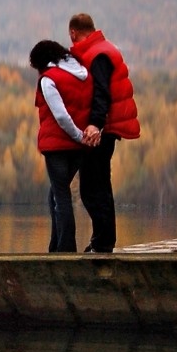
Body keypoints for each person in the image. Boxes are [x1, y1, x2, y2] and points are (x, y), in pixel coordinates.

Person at [68, 13, 141, 252]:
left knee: (91, 187)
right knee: (100, 185)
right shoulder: (103, 49)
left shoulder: (98, 55)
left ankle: (103, 243)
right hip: (106, 129)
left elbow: (101, 93)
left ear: (74, 33)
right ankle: (103, 241)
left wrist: (95, 125)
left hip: (101, 131)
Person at [29, 40, 94, 253]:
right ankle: (56, 246)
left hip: (58, 145)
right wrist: (82, 138)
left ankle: (66, 249)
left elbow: (60, 115)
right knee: (55, 194)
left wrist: (77, 135)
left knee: (61, 195)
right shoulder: (83, 73)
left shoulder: (49, 79)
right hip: (79, 148)